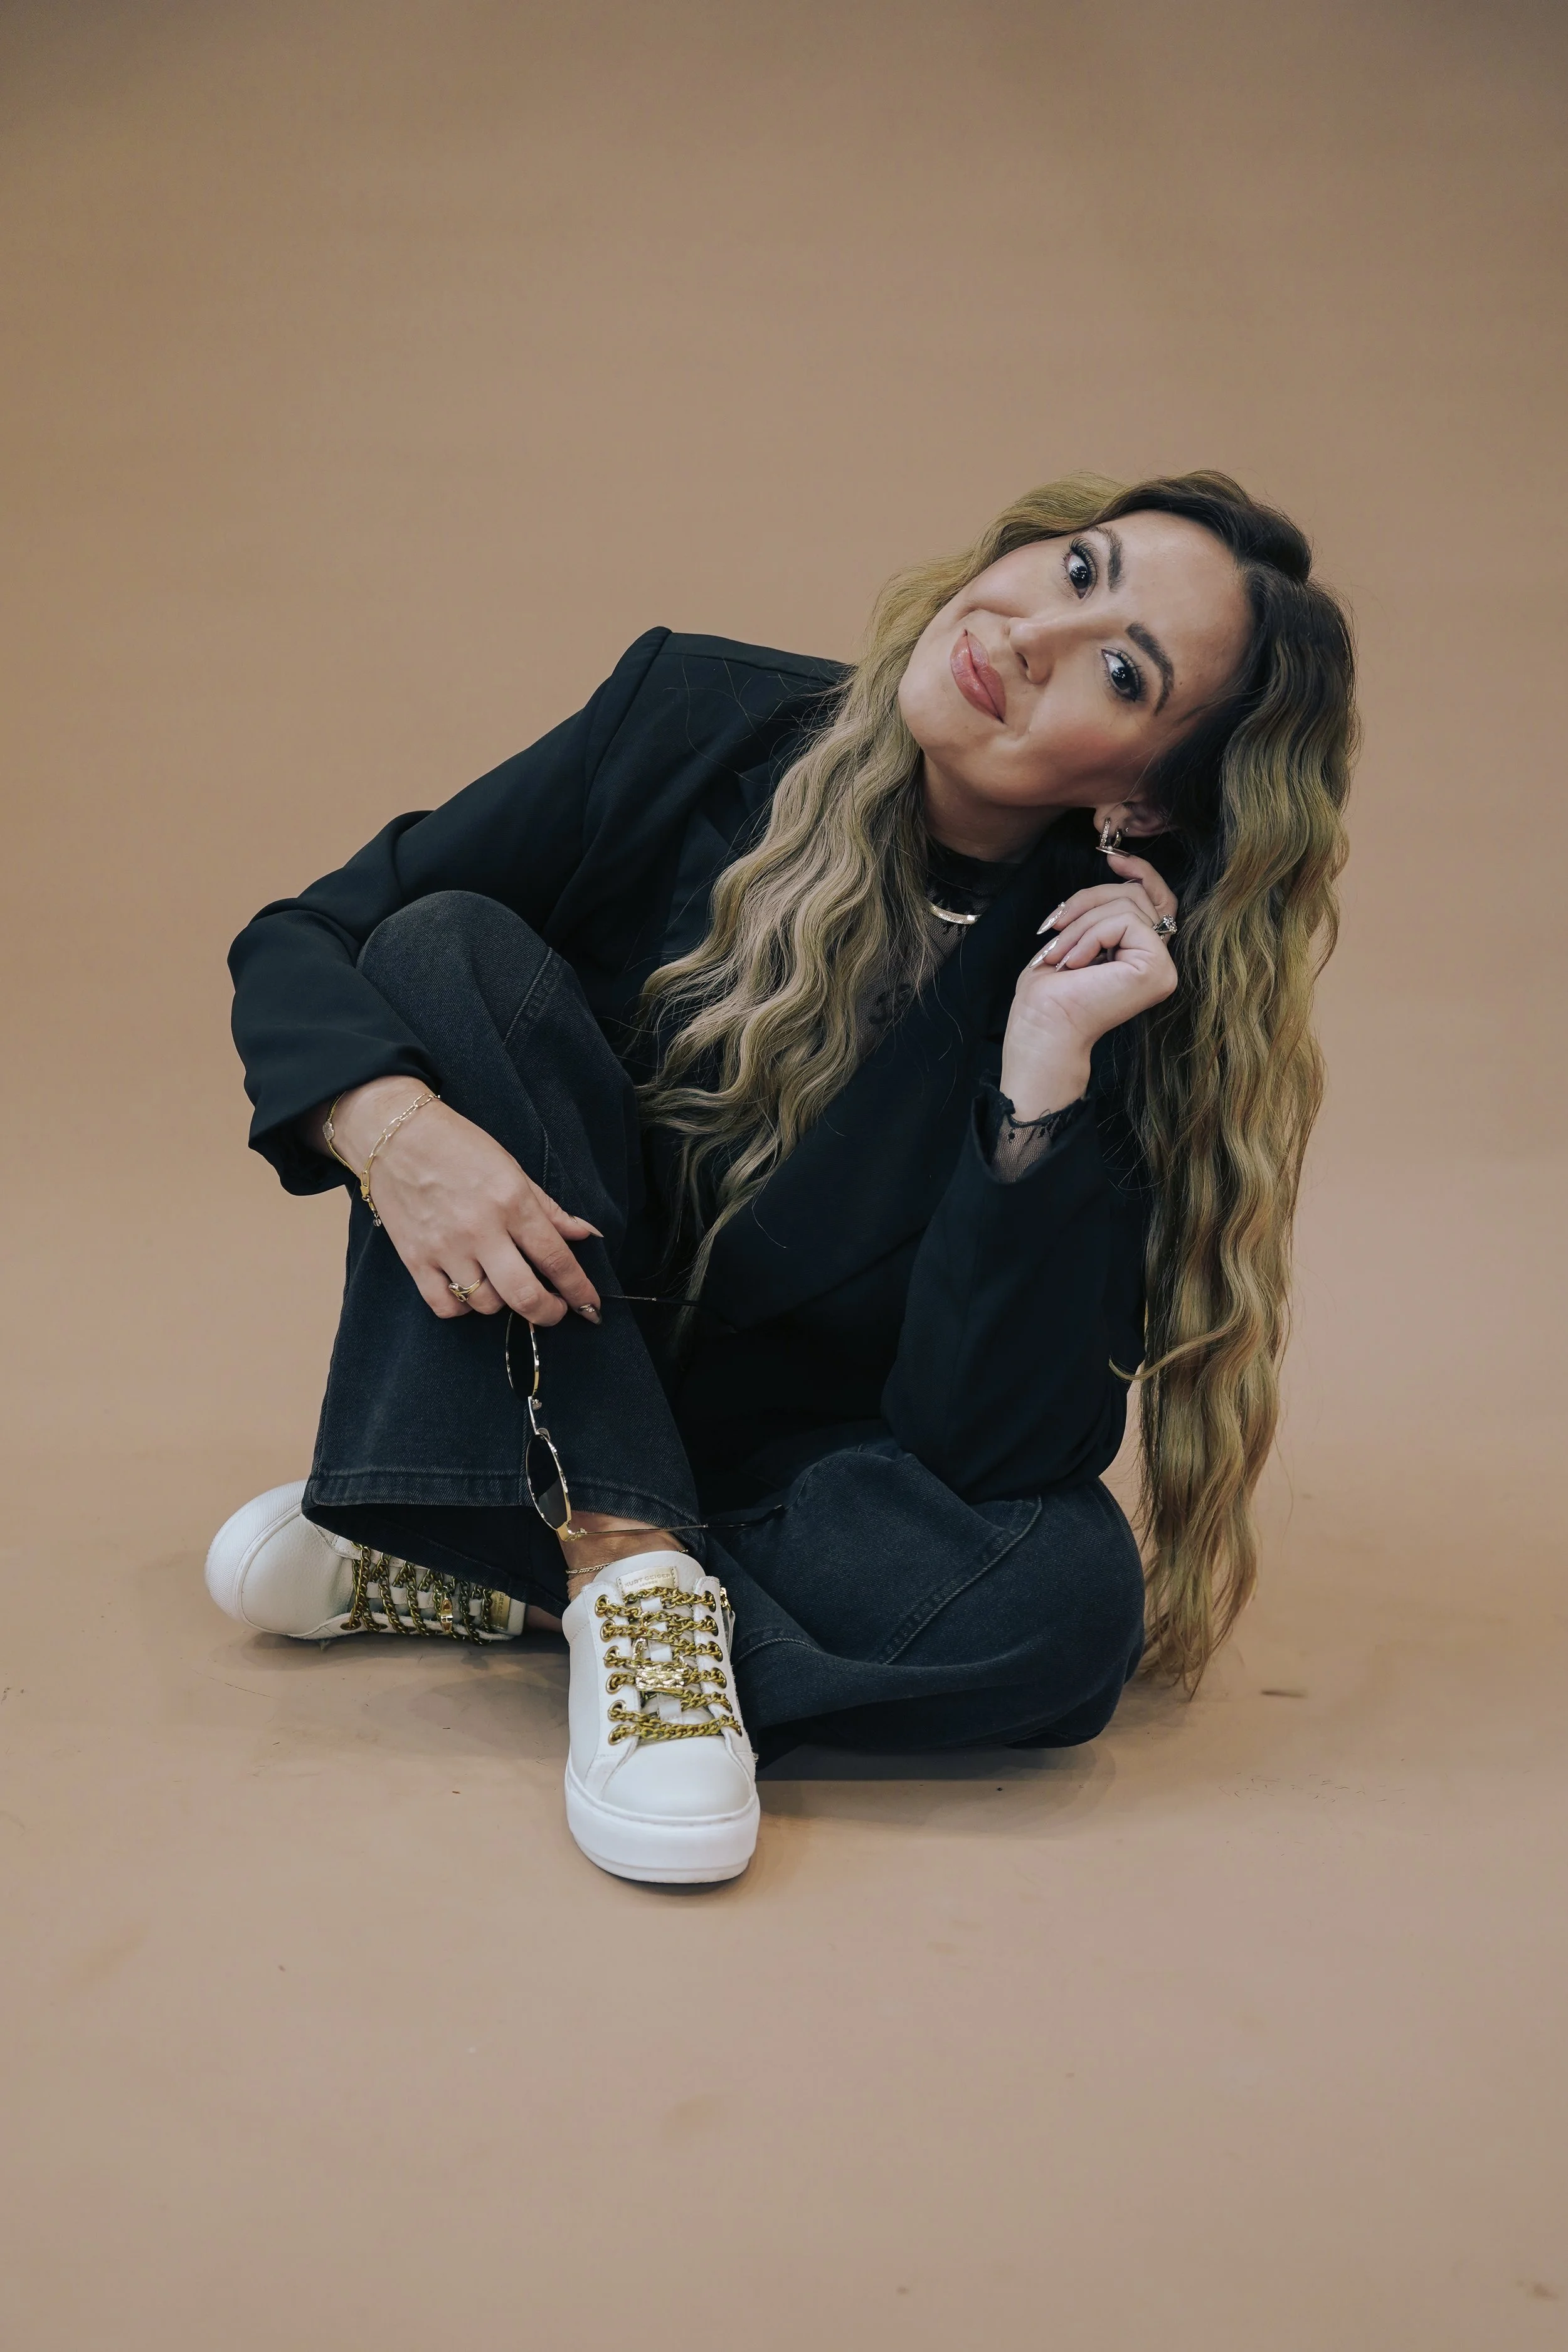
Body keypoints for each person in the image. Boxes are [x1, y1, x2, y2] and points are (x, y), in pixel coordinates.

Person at [208, 470, 1356, 1885]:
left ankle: (514, 1570)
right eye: (1073, 573)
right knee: (445, 946)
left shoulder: (1110, 983)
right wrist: (391, 1136)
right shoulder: (687, 715)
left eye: (1120, 670)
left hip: (779, 1470)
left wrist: (1043, 1063)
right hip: (543, 1353)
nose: (1032, 637)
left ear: (1148, 796)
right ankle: (627, 1581)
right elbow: (311, 934)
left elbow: (985, 1450)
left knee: (1065, 1606)